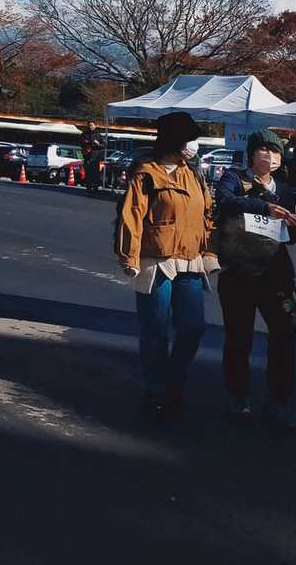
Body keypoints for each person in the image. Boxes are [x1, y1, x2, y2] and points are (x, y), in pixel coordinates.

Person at [115, 111, 215, 422]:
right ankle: (155, 388)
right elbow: (132, 215)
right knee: (155, 328)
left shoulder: (194, 174)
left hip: (190, 259)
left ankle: (173, 379)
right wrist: (129, 257)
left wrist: (210, 252)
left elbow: (207, 215)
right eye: (189, 140)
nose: (193, 147)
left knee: (193, 328)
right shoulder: (146, 173)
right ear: (174, 140)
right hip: (155, 259)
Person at [214, 130, 296, 430]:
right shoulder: (234, 178)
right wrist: (264, 207)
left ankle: (279, 403)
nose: (271, 156)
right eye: (264, 150)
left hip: (276, 275)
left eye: (276, 151)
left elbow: (289, 237)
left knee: (285, 336)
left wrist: (295, 225)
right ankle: (237, 398)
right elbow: (225, 201)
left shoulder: (284, 189)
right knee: (239, 339)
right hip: (238, 272)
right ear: (252, 154)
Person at [81, 121, 104, 194]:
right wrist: (88, 143)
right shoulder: (84, 134)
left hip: (96, 157)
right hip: (87, 157)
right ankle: (88, 189)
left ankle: (95, 189)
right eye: (89, 125)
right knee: (88, 174)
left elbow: (104, 145)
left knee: (95, 174)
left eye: (91, 125)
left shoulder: (98, 135)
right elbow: (81, 143)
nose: (90, 126)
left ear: (95, 126)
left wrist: (98, 144)